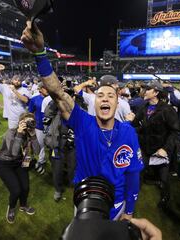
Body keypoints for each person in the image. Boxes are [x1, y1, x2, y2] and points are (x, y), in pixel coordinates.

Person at [21, 21, 144, 220]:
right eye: (100, 95)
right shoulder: (82, 122)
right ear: (94, 102)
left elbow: (133, 175)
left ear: (117, 102)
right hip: (86, 202)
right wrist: (39, 54)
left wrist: (129, 211)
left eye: (110, 96)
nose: (105, 98)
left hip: (117, 204)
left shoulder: (128, 132)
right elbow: (58, 93)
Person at [128, 81, 179, 208]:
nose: (144, 91)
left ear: (156, 93)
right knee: (138, 172)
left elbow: (175, 131)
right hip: (145, 148)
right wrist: (131, 122)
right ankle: (132, 197)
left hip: (160, 149)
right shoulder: (144, 107)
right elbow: (138, 125)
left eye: (148, 89)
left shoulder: (167, 109)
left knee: (164, 178)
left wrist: (166, 149)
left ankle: (165, 199)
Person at [0, 113, 40, 224]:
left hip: (20, 163)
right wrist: (20, 133)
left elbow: (37, 151)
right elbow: (14, 153)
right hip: (5, 163)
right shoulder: (11, 132)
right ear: (21, 122)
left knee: (25, 187)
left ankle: (23, 206)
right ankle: (11, 208)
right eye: (27, 121)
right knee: (16, 190)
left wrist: (33, 134)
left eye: (32, 122)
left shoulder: (31, 133)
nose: (29, 124)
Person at [28, 82, 48, 174]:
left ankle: (42, 160)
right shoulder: (34, 99)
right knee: (40, 145)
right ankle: (40, 160)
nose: (47, 89)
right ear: (40, 89)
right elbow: (31, 113)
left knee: (48, 144)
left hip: (50, 126)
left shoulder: (51, 99)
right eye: (44, 88)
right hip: (39, 126)